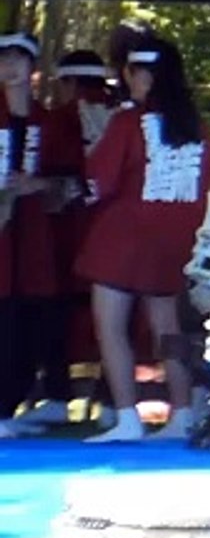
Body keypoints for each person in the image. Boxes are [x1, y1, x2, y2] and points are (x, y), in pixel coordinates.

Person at [75, 38, 210, 442]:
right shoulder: (199, 129)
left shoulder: (125, 122)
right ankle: (183, 413)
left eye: (133, 71)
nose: (127, 79)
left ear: (148, 76)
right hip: (174, 241)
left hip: (122, 239)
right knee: (167, 330)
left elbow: (97, 180)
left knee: (112, 327)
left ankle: (126, 417)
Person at [3, 50, 115, 434]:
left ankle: (57, 392)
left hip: (61, 237)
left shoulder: (59, 119)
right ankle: (104, 397)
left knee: (52, 318)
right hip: (101, 236)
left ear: (66, 82)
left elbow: (70, 180)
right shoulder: (120, 116)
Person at [0, 31, 59, 436]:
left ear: (33, 69)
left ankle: (10, 405)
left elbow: (68, 181)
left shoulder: (47, 121)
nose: (10, 67)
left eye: (19, 59)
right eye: (4, 59)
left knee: (25, 319)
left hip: (33, 232)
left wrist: (35, 185)